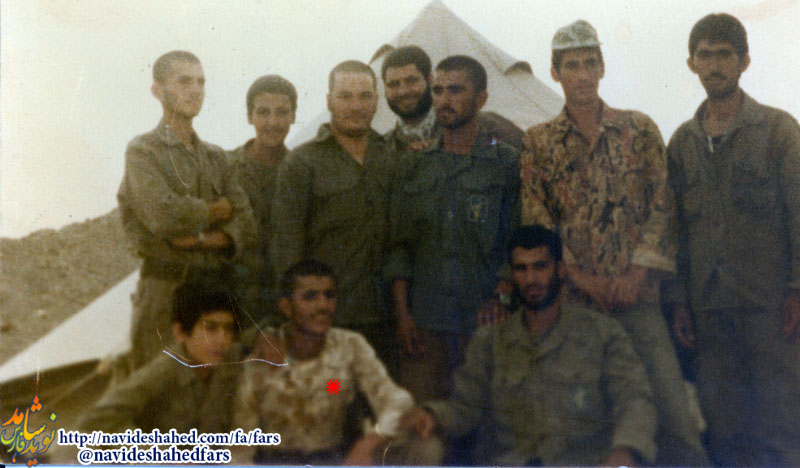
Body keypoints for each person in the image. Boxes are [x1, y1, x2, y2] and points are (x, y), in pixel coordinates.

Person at [519, 20, 707, 465]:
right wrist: (582, 279)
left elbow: (663, 205)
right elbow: (536, 221)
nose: (582, 74)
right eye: (571, 65)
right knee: (583, 427)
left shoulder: (638, 129)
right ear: (555, 73)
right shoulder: (538, 142)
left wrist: (636, 273)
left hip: (637, 302)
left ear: (602, 68)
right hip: (575, 309)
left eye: (590, 63)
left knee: (674, 419)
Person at [400, 225, 657, 466]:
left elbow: (635, 400)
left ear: (560, 270)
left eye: (540, 266)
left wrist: (625, 451)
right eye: (521, 269)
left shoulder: (602, 333)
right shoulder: (491, 341)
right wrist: (432, 415)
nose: (531, 279)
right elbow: (465, 408)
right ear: (512, 275)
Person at [666, 13, 800, 466]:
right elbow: (675, 233)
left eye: (724, 55)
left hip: (771, 310)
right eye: (704, 55)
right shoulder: (682, 144)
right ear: (691, 63)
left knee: (781, 429)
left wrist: (798, 289)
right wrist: (679, 301)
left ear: (744, 62)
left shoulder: (778, 131)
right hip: (710, 314)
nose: (714, 66)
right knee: (723, 433)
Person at [386, 55, 519, 401]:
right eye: (438, 90)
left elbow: (515, 240)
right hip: (426, 326)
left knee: (483, 423)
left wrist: (502, 298)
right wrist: (403, 316)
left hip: (483, 325)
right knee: (424, 421)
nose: (445, 100)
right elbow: (399, 248)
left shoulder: (505, 163)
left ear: (481, 98)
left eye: (456, 90)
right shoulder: (415, 165)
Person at [117, 50, 255, 369]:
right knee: (162, 387)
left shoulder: (217, 158)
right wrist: (215, 212)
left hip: (216, 293)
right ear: (157, 90)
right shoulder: (143, 152)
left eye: (200, 82)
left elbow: (246, 223)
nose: (195, 90)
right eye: (183, 81)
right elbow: (163, 216)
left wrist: (198, 239)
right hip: (165, 293)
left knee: (215, 389)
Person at [270, 61, 395, 363]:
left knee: (379, 390)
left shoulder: (392, 155)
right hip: (329, 319)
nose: (356, 106)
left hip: (388, 319)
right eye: (345, 96)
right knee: (333, 389)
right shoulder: (302, 163)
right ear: (328, 101)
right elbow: (287, 249)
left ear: (376, 101)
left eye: (365, 96)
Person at [233, 260, 416, 465]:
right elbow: (241, 446)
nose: (323, 306)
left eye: (329, 296)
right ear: (286, 307)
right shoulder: (264, 355)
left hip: (333, 459)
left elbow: (397, 401)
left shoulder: (349, 345)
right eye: (310, 296)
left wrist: (369, 442)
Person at [77, 282, 243, 435]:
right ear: (180, 333)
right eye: (211, 329)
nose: (223, 340)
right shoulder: (164, 370)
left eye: (228, 329)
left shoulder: (230, 363)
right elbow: (94, 420)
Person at [229, 75, 297, 330]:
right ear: (250, 116)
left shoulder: (302, 171)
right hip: (231, 304)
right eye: (263, 112)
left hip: (284, 305)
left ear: (293, 116)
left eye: (282, 112)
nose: (273, 122)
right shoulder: (224, 169)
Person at [381, 45, 524, 152]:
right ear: (385, 89)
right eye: (393, 84)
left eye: (411, 81)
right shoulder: (382, 148)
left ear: (430, 80)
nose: (403, 91)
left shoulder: (488, 126)